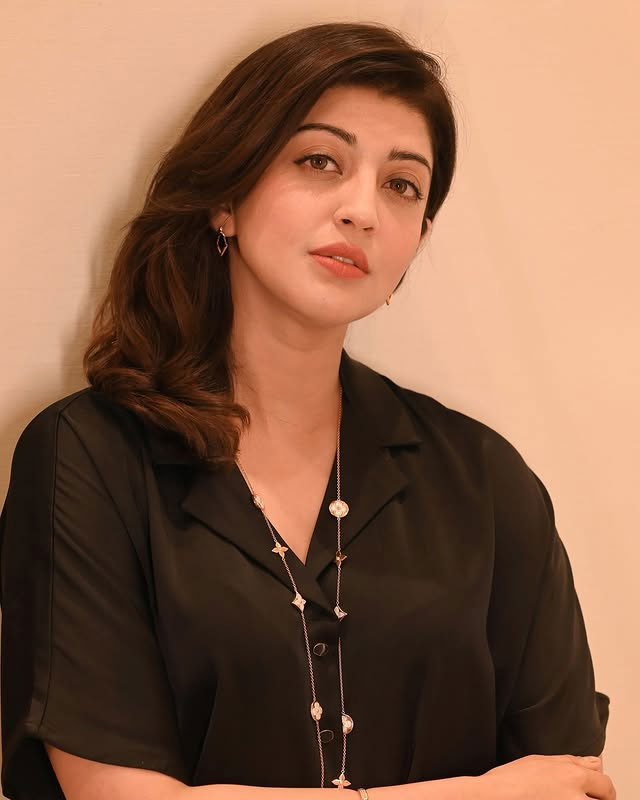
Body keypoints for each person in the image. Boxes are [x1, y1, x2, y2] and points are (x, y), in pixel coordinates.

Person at [0, 20, 615, 800]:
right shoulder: (88, 457)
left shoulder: (487, 482)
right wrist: (478, 793)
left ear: (416, 241)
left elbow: (569, 784)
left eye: (402, 185)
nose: (363, 210)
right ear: (225, 197)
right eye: (320, 161)